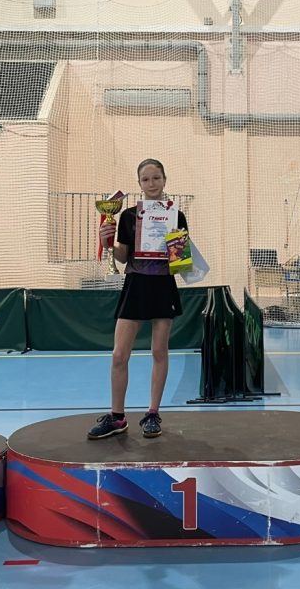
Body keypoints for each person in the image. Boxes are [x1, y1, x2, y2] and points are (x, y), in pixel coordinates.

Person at [88, 159, 187, 440]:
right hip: (135, 284)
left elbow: (180, 263)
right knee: (119, 355)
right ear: (139, 184)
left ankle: (152, 414)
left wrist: (175, 250)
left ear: (165, 180)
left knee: (159, 352)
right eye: (146, 179)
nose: (151, 183)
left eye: (156, 178)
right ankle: (117, 417)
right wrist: (108, 242)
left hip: (163, 284)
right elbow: (122, 256)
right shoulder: (129, 216)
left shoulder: (176, 215)